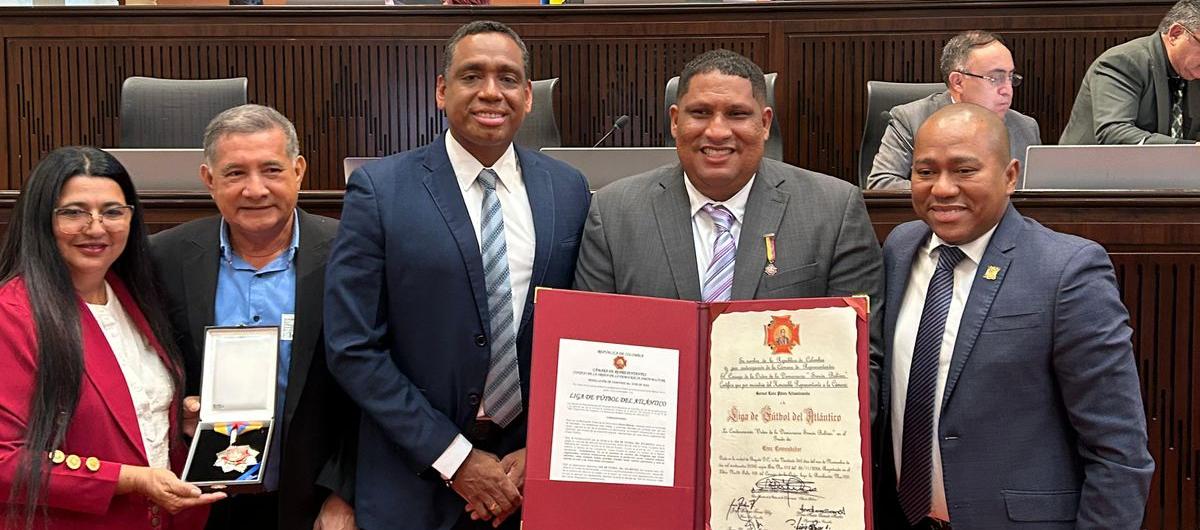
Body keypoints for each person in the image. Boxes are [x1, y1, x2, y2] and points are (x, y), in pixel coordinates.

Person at [323, 20, 590, 530]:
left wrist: (543, 446)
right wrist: (455, 459)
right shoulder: (380, 190)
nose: (491, 92)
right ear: (442, 91)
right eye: (472, 76)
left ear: (528, 97)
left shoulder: (569, 190)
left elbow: (582, 335)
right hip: (415, 477)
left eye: (508, 78)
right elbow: (352, 347)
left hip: (530, 478)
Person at [875, 103, 1154, 529]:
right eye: (925, 171)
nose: (942, 189)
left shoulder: (1066, 270)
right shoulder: (899, 248)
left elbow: (1118, 449)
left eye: (964, 170)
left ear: (1010, 176)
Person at [572, 48, 885, 419]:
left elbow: (858, 363)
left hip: (783, 439)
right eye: (700, 113)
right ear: (675, 121)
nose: (717, 131)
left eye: (737, 114)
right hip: (651, 435)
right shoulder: (613, 212)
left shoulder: (833, 210)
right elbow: (590, 354)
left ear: (764, 123)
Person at [150, 105, 356, 530]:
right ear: (209, 179)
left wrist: (346, 492)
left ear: (298, 171)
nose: (255, 189)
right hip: (199, 502)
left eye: (272, 170)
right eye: (235, 173)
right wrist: (179, 409)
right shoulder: (163, 257)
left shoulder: (351, 254)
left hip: (316, 501)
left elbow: (376, 382)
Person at [0, 146, 224, 529]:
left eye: (112, 211)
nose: (96, 227)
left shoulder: (133, 295)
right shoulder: (13, 313)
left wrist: (176, 417)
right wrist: (129, 479)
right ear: (41, 219)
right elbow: (6, 460)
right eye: (73, 212)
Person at [867, 31, 1041, 189]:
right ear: (958, 82)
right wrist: (962, 192)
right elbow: (882, 183)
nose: (1007, 90)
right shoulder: (911, 119)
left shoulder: (1025, 127)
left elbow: (1037, 196)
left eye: (1010, 77)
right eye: (995, 78)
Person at [1060, 0, 1200, 144]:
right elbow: (1114, 132)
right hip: (1093, 158)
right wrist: (1187, 148)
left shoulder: (1191, 71)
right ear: (1175, 34)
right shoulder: (1122, 62)